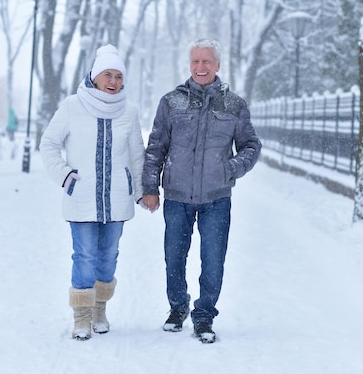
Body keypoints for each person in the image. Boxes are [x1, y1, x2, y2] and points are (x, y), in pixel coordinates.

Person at [141, 38, 261, 343]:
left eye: (207, 61)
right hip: (177, 196)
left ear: (218, 65)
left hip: (216, 199)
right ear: (189, 64)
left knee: (213, 259)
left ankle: (205, 315)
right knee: (174, 256)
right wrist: (150, 187)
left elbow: (251, 146)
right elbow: (156, 147)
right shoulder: (171, 102)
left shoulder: (234, 105)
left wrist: (231, 169)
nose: (200, 67)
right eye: (195, 61)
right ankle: (177, 307)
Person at [40, 44, 145, 341]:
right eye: (107, 75)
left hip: (116, 200)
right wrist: (65, 177)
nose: (113, 82)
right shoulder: (73, 105)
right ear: (95, 76)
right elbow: (48, 144)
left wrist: (141, 191)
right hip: (82, 197)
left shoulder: (130, 111)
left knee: (108, 257)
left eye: (118, 77)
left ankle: (99, 309)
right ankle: (82, 317)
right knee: (84, 256)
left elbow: (137, 155)